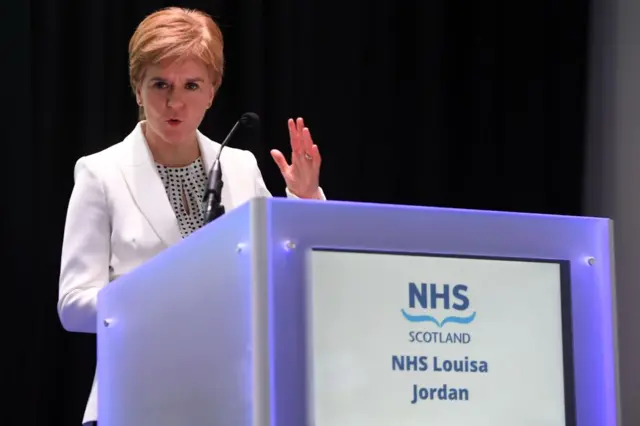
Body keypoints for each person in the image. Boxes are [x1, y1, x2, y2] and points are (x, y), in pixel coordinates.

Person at [57, 7, 325, 426]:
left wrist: (306, 198)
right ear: (137, 88)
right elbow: (73, 306)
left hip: (233, 400)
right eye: (159, 83)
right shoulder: (100, 172)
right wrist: (167, 299)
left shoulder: (239, 167)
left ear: (212, 91)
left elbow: (287, 272)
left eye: (191, 85)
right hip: (137, 399)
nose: (174, 101)